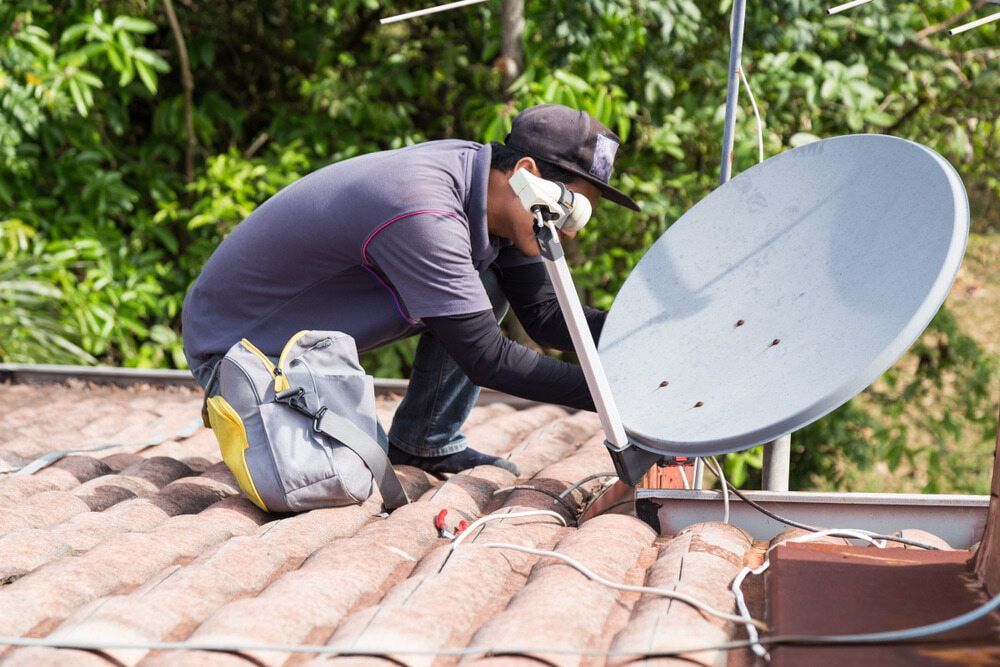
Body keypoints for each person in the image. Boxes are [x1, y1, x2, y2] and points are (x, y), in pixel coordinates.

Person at [182, 104, 639, 476]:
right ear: (526, 172)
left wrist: (649, 342)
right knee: (345, 479)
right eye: (570, 212)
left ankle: (426, 443)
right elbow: (486, 358)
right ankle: (420, 443)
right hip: (240, 358)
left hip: (295, 353)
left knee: (486, 277)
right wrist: (620, 399)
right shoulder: (426, 213)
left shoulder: (490, 192)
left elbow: (546, 316)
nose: (570, 232)